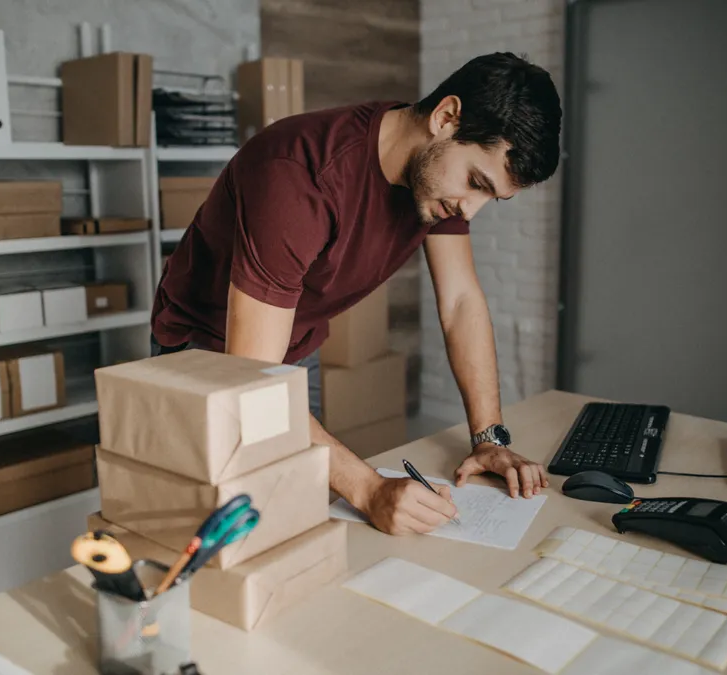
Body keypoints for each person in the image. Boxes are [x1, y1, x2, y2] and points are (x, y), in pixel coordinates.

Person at [151, 52, 562, 536]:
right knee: (209, 535)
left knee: (293, 519)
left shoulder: (432, 172)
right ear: (446, 118)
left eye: (491, 197)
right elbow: (250, 381)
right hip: (204, 355)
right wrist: (368, 489)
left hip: (292, 350)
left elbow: (460, 303)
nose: (469, 211)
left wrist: (488, 437)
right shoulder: (300, 175)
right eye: (476, 183)